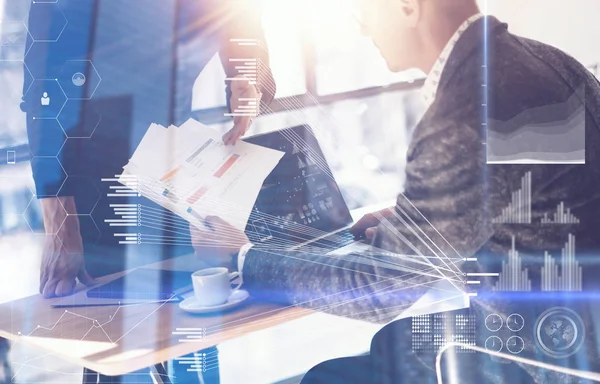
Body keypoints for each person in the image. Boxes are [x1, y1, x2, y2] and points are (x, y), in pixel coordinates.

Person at [191, 0, 600, 382]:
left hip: (542, 357)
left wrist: (243, 255)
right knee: (394, 341)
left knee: (325, 377)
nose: (362, 25)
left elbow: (377, 290)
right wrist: (418, 219)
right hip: (576, 330)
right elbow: (539, 204)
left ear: (408, 7)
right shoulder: (548, 62)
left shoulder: (464, 110)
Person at [23, 0, 275, 299]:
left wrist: (245, 73)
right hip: (98, 193)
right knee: (120, 322)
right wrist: (59, 221)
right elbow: (46, 92)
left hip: (174, 176)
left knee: (200, 311)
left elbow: (242, 21)